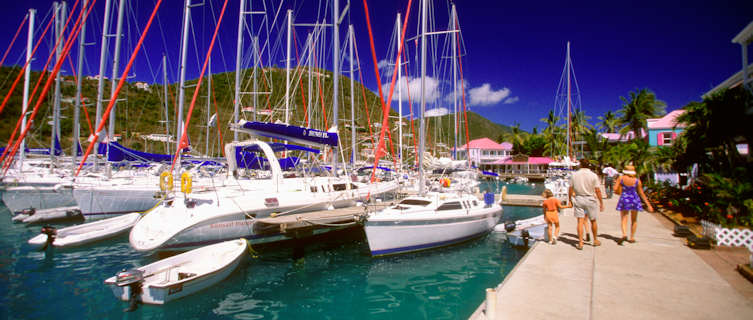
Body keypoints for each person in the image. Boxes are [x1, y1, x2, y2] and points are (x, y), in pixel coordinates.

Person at [568, 158, 604, 250]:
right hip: (590, 199)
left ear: (580, 165)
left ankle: (580, 242)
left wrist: (570, 199)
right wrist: (601, 202)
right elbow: (597, 190)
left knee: (580, 221)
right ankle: (595, 240)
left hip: (579, 198)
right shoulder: (593, 175)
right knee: (593, 220)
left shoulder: (574, 175)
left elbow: (570, 189)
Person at [614, 164, 654, 245]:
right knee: (634, 219)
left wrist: (619, 190)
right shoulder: (637, 181)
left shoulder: (621, 178)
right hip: (635, 199)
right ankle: (632, 237)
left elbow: (615, 189)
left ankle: (624, 234)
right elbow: (641, 193)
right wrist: (648, 205)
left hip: (624, 198)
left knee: (624, 218)